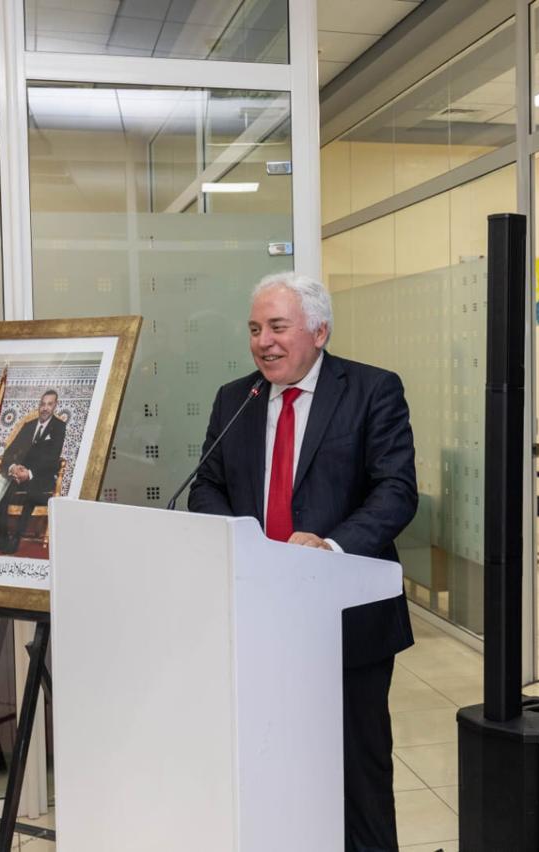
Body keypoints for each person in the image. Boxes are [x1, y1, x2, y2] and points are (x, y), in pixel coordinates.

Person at [188, 272, 418, 852]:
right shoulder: (235, 399)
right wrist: (243, 541)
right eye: (254, 329)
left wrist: (330, 549)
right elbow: (206, 487)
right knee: (271, 762)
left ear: (319, 331)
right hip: (259, 613)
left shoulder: (372, 389)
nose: (263, 342)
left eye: (277, 327)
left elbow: (395, 491)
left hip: (346, 617)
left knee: (357, 770)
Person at [0, 390, 66, 554]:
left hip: (41, 476)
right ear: (39, 405)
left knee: (31, 492)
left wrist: (29, 473)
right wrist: (14, 467)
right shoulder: (29, 426)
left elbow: (52, 458)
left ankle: (16, 538)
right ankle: (2, 535)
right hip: (20, 474)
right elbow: (10, 451)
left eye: (49, 404)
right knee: (1, 486)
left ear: (55, 406)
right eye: (42, 404)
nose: (45, 408)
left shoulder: (59, 426)